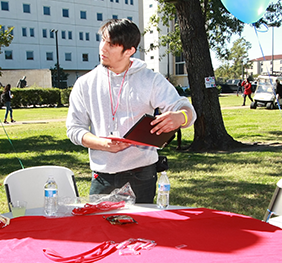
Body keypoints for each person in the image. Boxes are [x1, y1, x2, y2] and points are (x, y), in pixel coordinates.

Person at [66, 18, 195, 203]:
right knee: (100, 230)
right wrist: (101, 144)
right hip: (102, 175)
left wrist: (180, 116)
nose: (103, 48)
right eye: (102, 40)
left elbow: (186, 109)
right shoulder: (85, 83)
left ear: (129, 51)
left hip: (142, 174)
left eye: (111, 44)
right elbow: (74, 129)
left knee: (141, 229)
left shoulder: (150, 79)